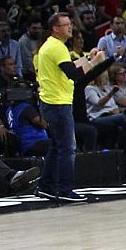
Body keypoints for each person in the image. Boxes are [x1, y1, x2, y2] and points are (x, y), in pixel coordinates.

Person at [35, 12, 106, 204]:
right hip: (57, 103)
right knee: (67, 147)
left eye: (70, 24)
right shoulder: (57, 47)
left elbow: (69, 66)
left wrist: (87, 57)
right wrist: (94, 62)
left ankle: (46, 186)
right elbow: (73, 74)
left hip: (51, 102)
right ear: (55, 28)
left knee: (56, 146)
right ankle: (64, 189)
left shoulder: (52, 45)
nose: (70, 27)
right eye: (66, 25)